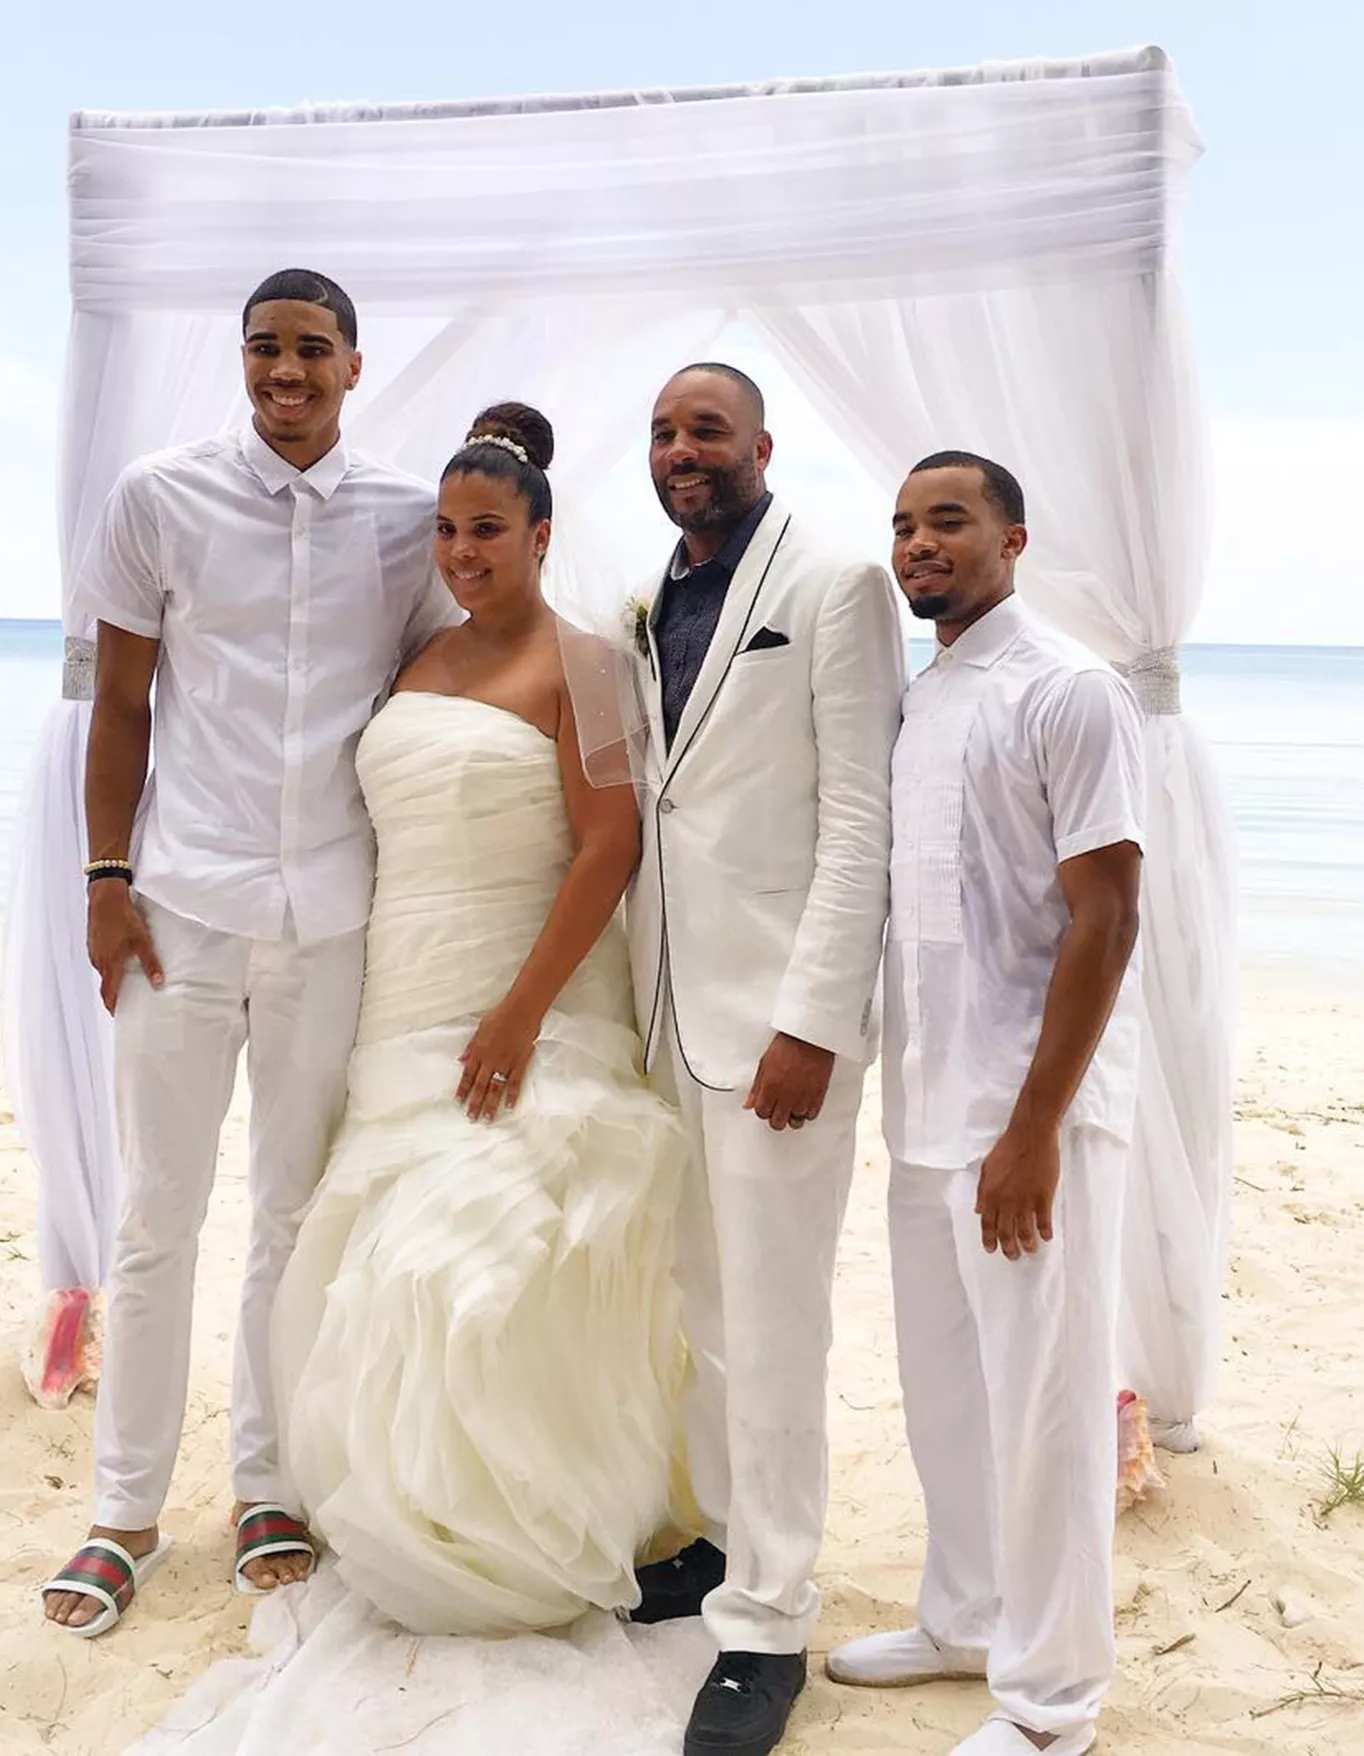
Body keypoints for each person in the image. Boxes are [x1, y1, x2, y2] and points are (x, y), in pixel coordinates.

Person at [42, 268, 458, 1636]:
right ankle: (122, 1514)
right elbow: (120, 703)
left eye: (312, 350)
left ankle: (267, 1487)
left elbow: (428, 699)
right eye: (264, 349)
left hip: (332, 918)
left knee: (291, 1215)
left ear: (354, 362)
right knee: (160, 1215)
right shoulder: (159, 497)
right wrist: (106, 878)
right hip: (181, 909)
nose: (286, 372)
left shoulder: (407, 521)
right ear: (242, 359)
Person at [270, 402, 688, 1634]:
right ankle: (404, 1501)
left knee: (488, 1252)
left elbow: (609, 847)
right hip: (403, 983)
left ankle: (516, 1515)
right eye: (449, 530)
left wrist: (517, 1014)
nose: (463, 550)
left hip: (529, 995)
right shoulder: (416, 661)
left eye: (489, 529)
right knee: (379, 1249)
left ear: (541, 533)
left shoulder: (588, 664)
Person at [826, 453, 1145, 1756]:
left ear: (1015, 535)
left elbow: (1108, 914)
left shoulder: (1068, 690)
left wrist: (1031, 1132)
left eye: (947, 521)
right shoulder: (926, 696)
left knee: (1050, 1409)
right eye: (903, 526)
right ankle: (966, 1618)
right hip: (930, 1110)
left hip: (1036, 1120)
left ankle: (1053, 1705)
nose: (919, 544)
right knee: (948, 1389)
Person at [625, 363, 905, 1756]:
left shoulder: (840, 586)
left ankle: (772, 1622)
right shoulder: (653, 595)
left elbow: (862, 823)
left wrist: (817, 1021)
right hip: (670, 1016)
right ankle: (725, 1540)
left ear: (762, 448)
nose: (685, 451)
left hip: (780, 1031)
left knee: (780, 1328)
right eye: (667, 433)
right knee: (700, 1303)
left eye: (708, 431)